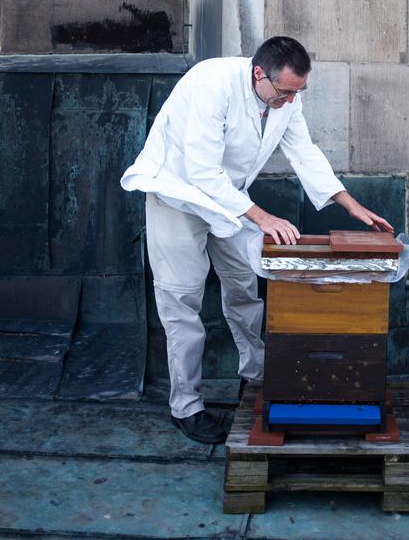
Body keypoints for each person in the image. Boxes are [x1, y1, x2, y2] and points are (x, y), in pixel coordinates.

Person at [120, 36, 393, 443]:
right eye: (285, 92)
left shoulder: (285, 96)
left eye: (298, 92)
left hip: (229, 200)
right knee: (182, 299)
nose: (291, 100)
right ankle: (187, 407)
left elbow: (305, 152)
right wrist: (262, 216)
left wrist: (349, 204)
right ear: (259, 74)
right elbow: (201, 172)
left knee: (245, 288)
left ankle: (256, 377)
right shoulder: (211, 84)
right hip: (178, 193)